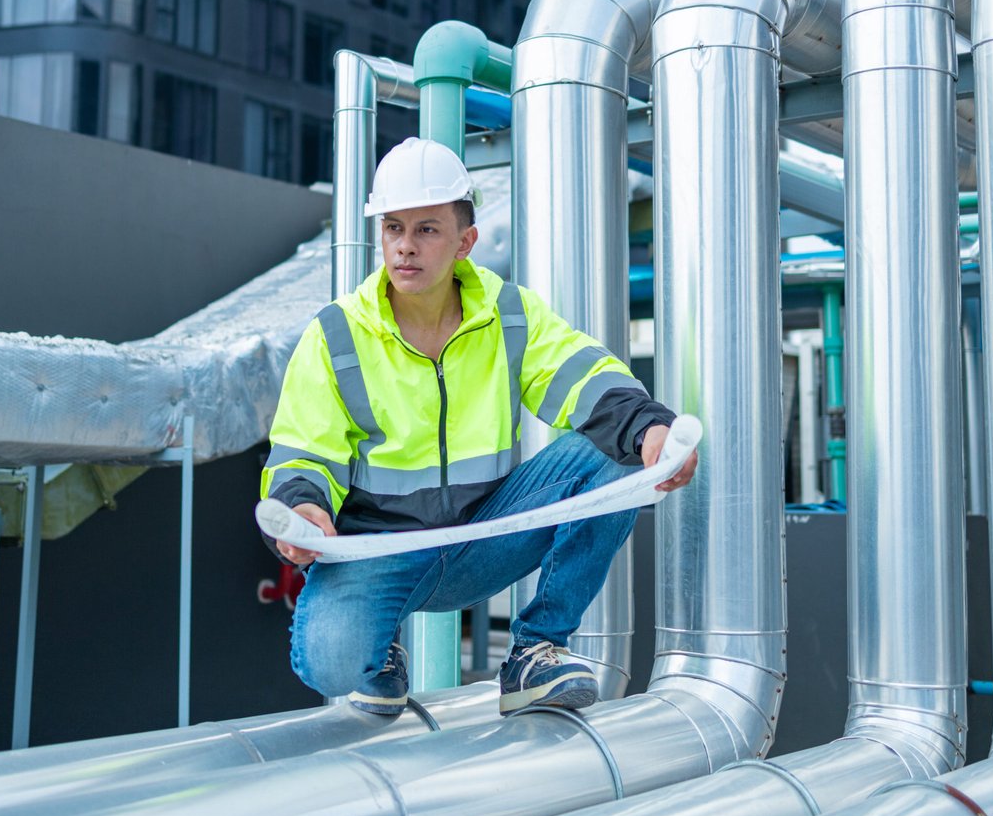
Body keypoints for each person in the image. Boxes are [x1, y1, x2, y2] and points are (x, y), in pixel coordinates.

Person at [258, 137, 697, 718]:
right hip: (381, 552)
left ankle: (536, 650)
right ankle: (377, 654)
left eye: (427, 230)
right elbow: (301, 452)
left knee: (615, 451)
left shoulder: (509, 312)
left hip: (486, 536)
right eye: (393, 228)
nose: (405, 248)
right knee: (332, 663)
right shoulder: (336, 335)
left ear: (465, 242)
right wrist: (304, 510)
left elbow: (580, 375)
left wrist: (649, 432)